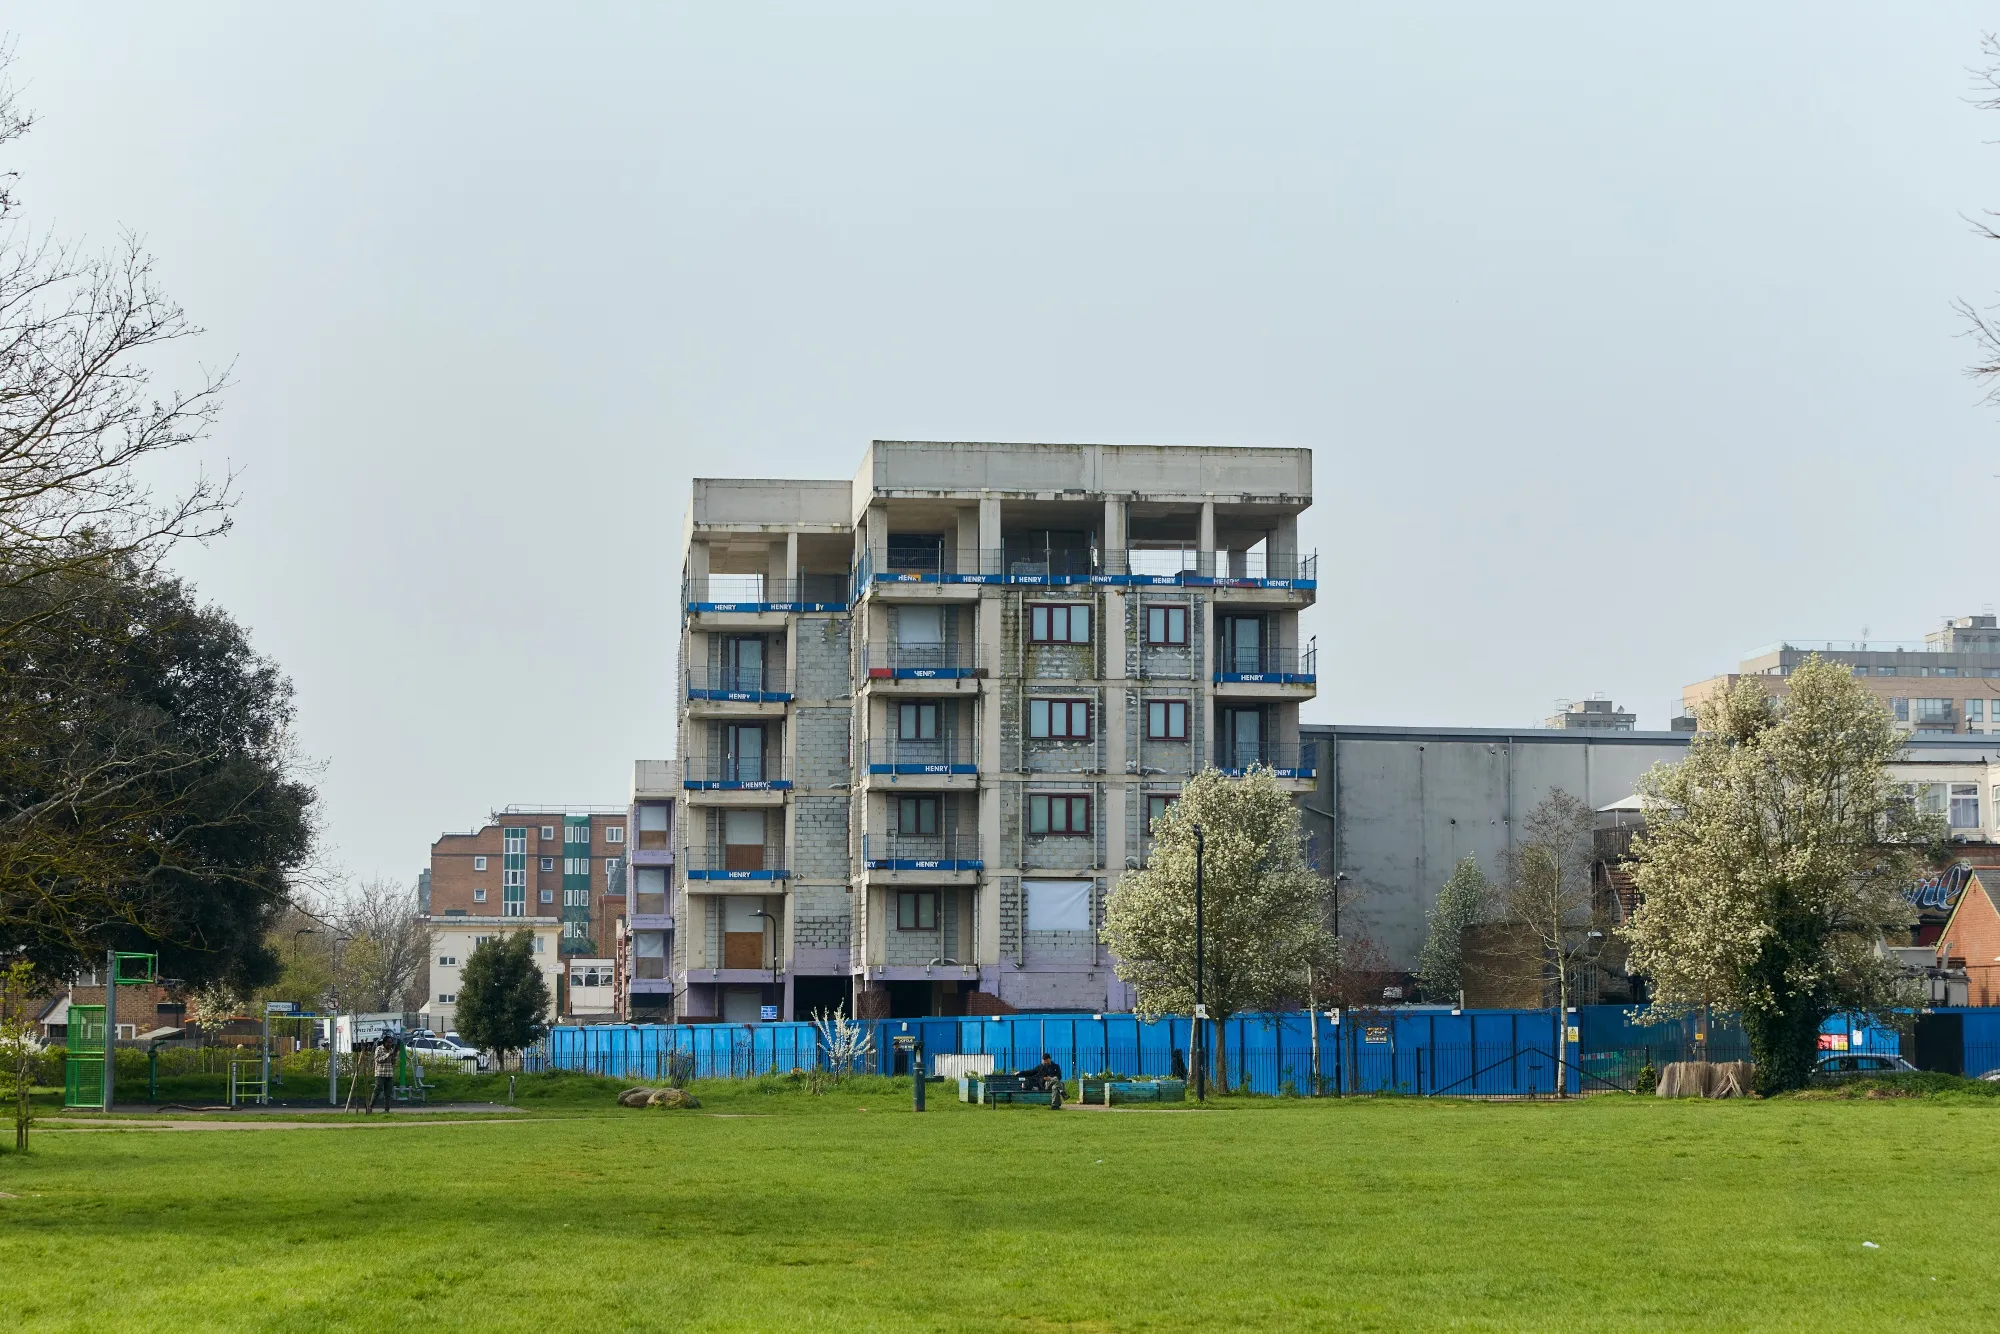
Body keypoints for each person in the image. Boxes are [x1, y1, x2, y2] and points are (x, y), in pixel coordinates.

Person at [363, 1034, 399, 1114]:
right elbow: (377, 1060)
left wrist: (394, 1056)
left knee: (388, 1093)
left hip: (389, 1074)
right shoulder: (379, 1049)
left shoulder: (391, 1050)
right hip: (380, 1073)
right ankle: (370, 1107)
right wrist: (388, 1055)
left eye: (391, 1043)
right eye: (388, 1043)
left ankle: (387, 1110)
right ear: (384, 1042)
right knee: (377, 1090)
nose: (390, 1044)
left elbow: (393, 1062)